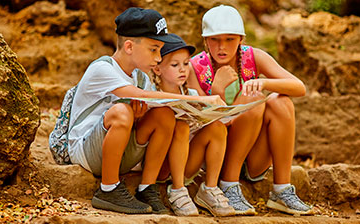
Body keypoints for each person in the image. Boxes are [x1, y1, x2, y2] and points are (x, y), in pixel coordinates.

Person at [68, 7, 225, 214]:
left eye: (160, 50)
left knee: (164, 115)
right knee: (122, 112)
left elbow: (150, 103)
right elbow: (141, 96)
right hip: (86, 151)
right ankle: (108, 190)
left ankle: (147, 187)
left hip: (123, 152)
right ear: (129, 46)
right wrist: (196, 98)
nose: (159, 58)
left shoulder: (141, 77)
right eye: (154, 49)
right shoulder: (102, 68)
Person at [187, 5, 313, 215]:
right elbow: (201, 120)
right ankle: (229, 185)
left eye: (230, 39)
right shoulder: (195, 67)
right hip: (215, 158)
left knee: (280, 101)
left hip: (253, 158)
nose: (222, 47)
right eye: (215, 39)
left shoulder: (253, 57)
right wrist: (217, 88)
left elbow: (299, 87)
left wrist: (263, 83)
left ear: (241, 40)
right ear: (205, 41)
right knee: (252, 97)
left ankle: (282, 190)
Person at [151, 34, 235, 216]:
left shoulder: (192, 93)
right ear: (157, 69)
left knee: (217, 127)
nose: (182, 69)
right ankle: (177, 191)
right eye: (175, 65)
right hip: (160, 164)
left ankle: (209, 189)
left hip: (186, 162)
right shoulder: (151, 93)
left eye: (186, 63)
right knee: (180, 126)